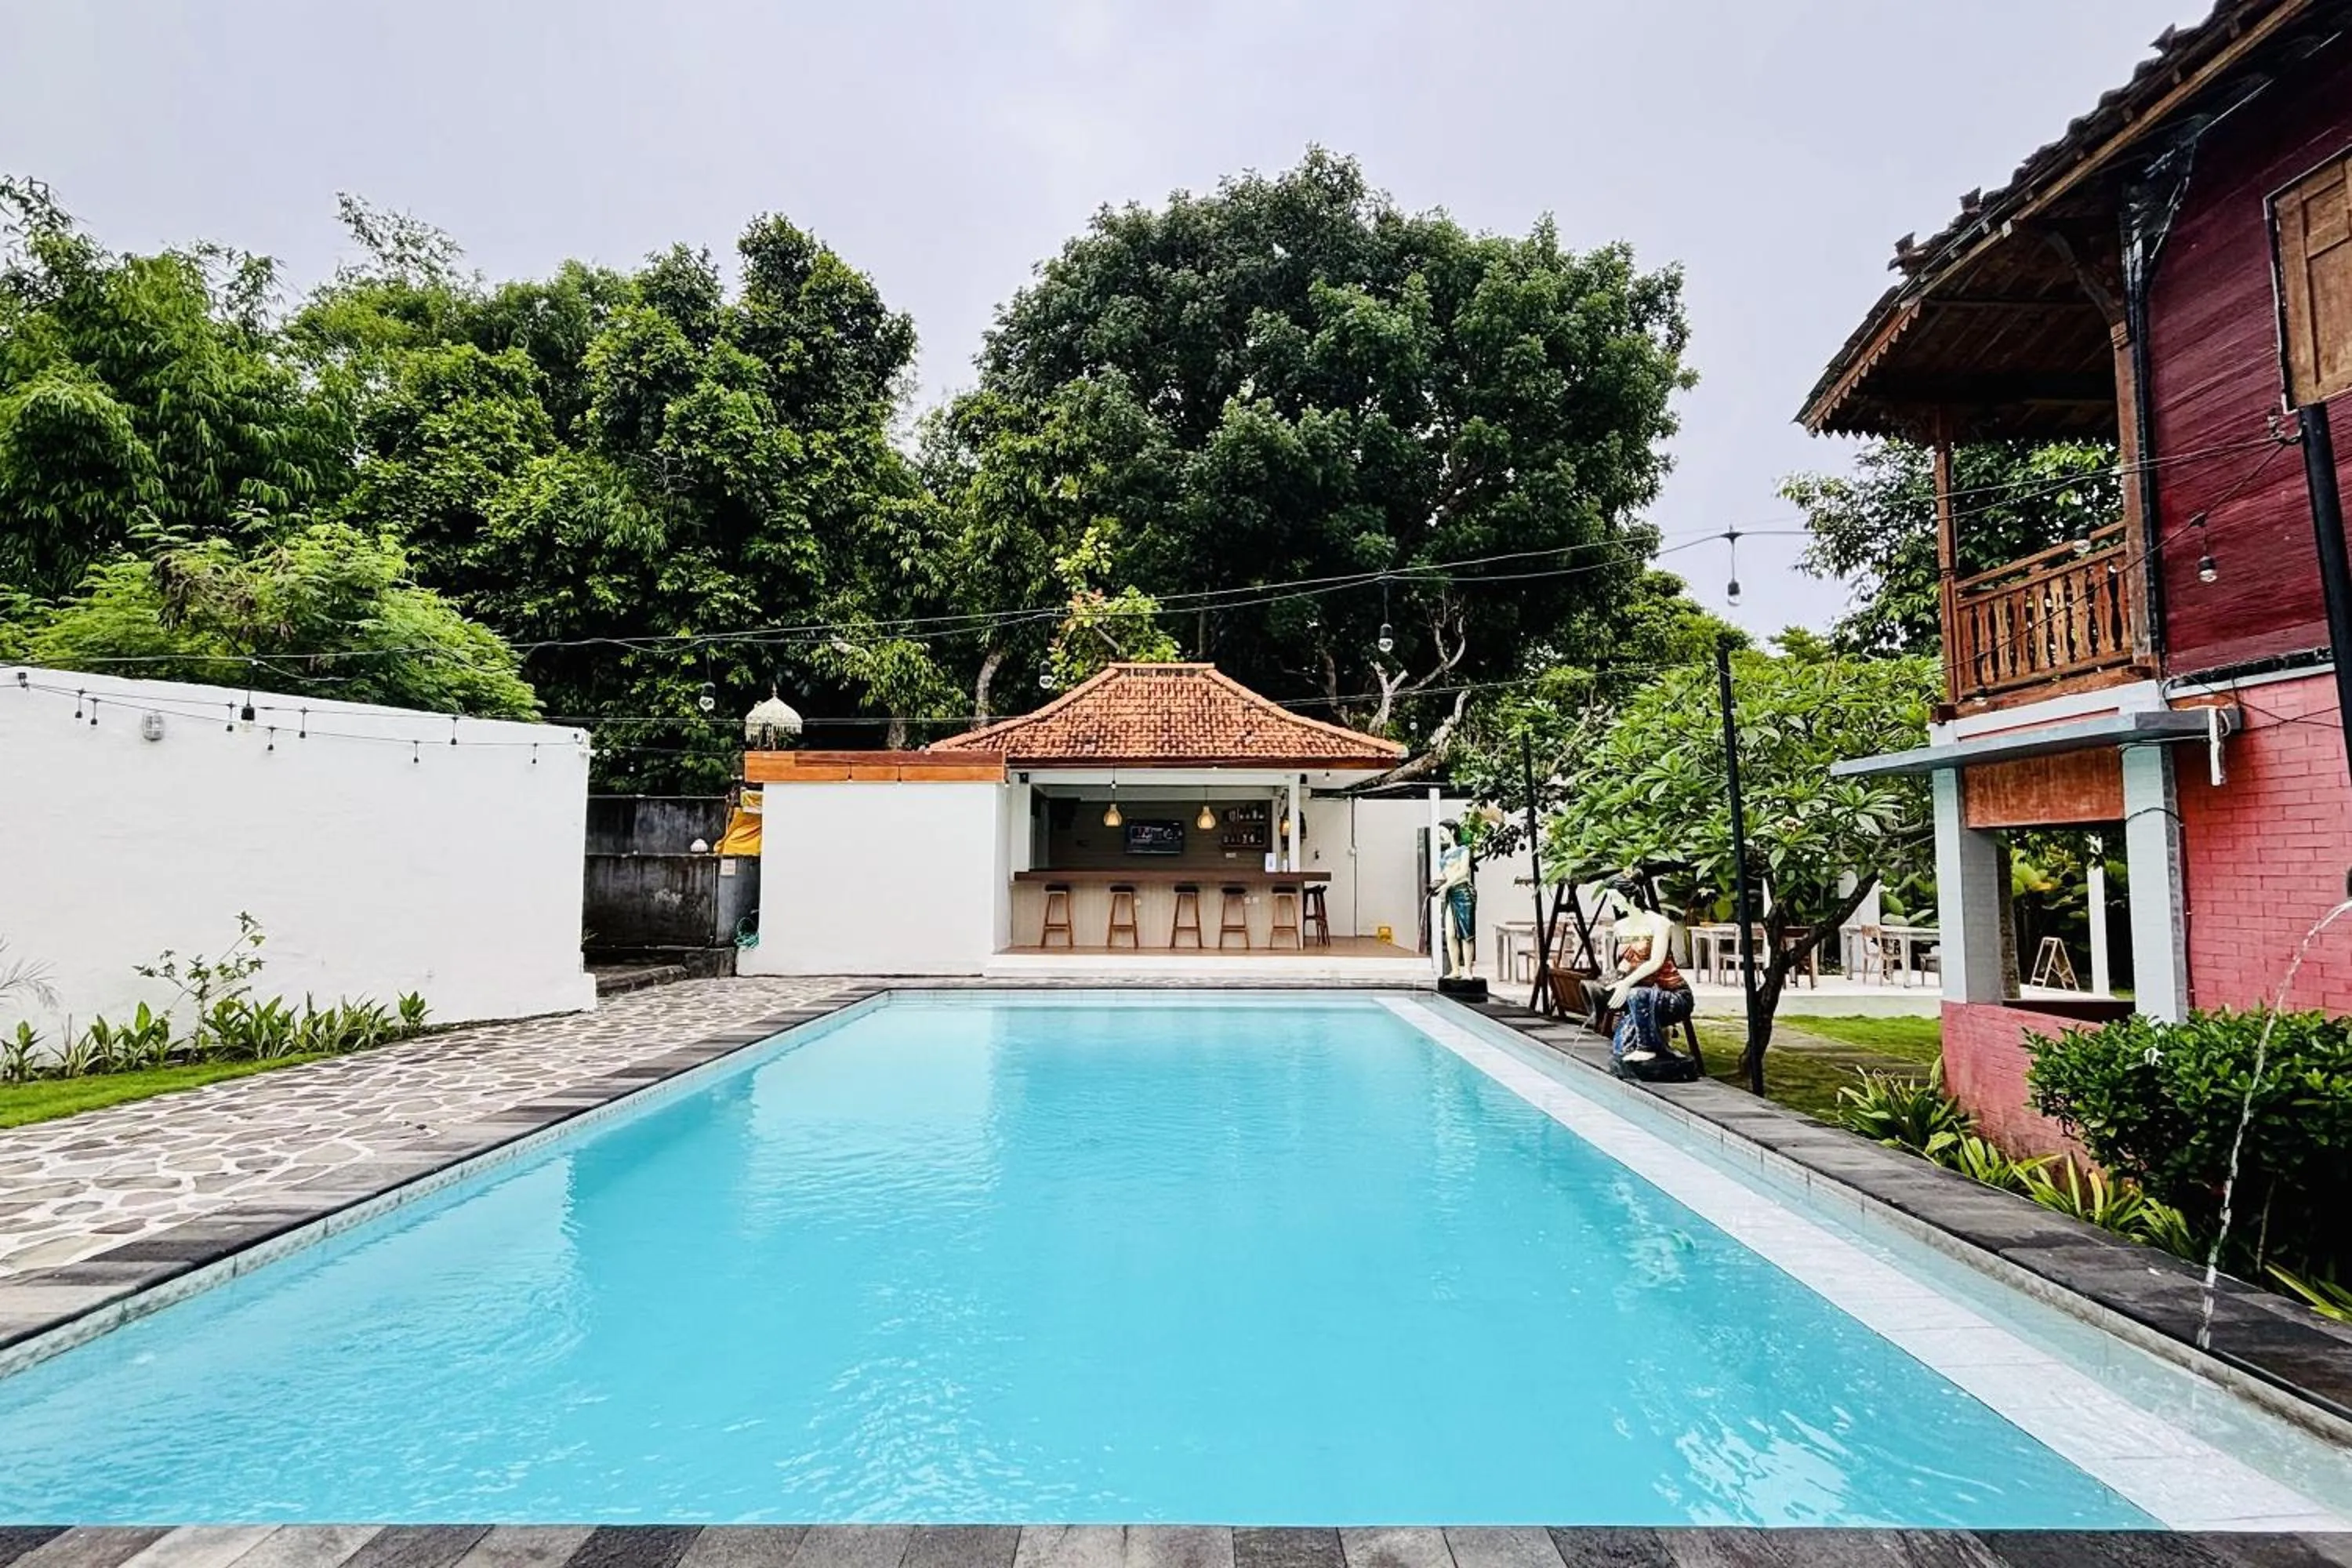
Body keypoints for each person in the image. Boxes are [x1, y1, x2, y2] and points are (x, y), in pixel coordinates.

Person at [1606, 890, 1693, 1074]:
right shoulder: (1621, 926)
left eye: (1615, 897)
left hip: (1672, 994)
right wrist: (1614, 980)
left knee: (1637, 994)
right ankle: (1661, 1048)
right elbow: (1626, 961)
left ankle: (1647, 1049)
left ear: (1629, 896)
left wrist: (1627, 983)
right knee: (1621, 1049)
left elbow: (1655, 962)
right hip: (1639, 998)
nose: (1613, 903)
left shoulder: (1659, 923)